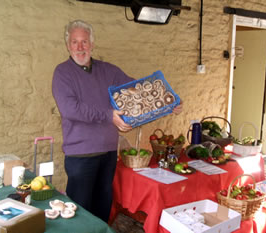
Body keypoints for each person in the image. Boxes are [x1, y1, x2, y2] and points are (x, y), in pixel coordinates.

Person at [52, 19, 182, 223]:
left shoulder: (109, 71)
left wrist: (167, 102)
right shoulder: (62, 73)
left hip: (109, 153)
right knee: (79, 212)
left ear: (92, 44)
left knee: (103, 209)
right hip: (80, 157)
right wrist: (108, 115)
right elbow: (70, 109)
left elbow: (137, 91)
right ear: (68, 45)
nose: (80, 47)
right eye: (75, 42)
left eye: (84, 42)